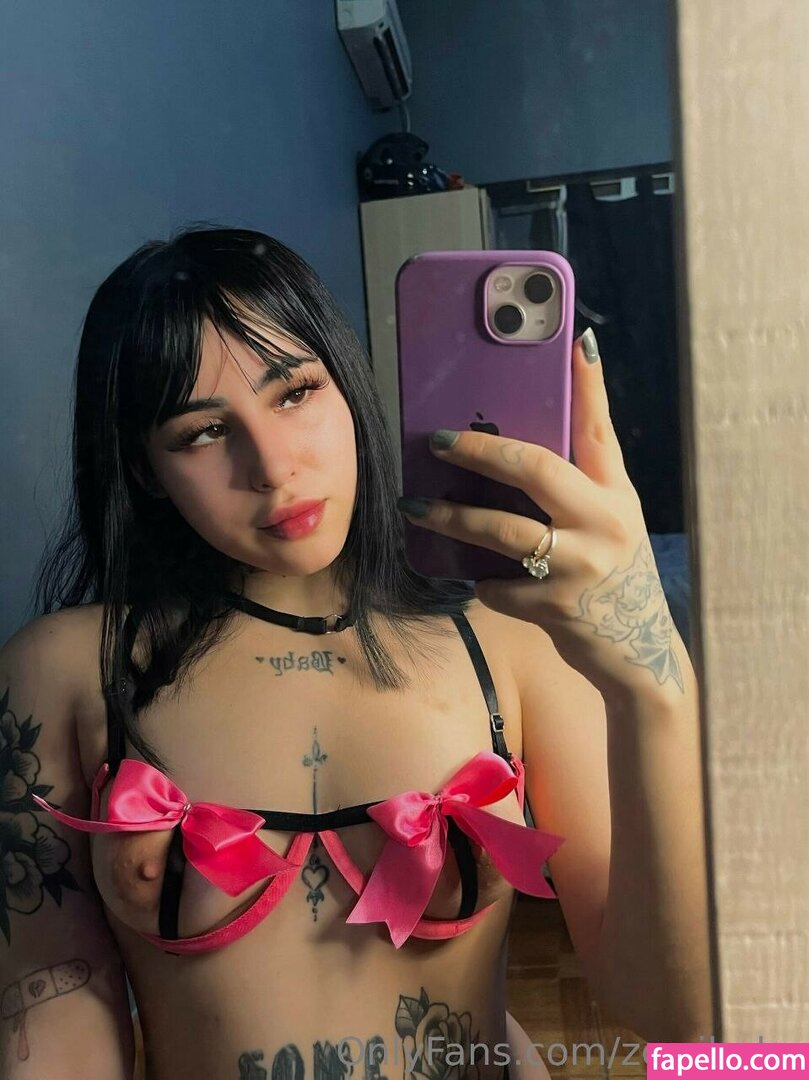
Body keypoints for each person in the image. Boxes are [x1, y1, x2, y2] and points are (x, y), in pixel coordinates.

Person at [0, 226, 711, 1080]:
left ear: (347, 384)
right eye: (202, 432)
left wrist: (650, 681)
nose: (272, 467)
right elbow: (51, 1003)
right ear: (147, 470)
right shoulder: (70, 668)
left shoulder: (510, 644)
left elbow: (676, 1012)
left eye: (295, 392)